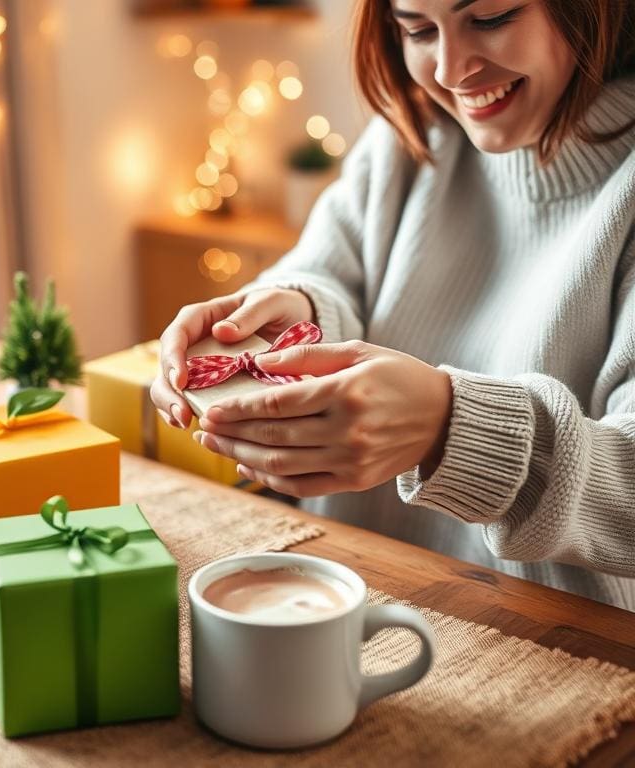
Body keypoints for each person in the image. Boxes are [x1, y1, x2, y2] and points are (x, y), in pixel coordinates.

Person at [151, 0, 635, 611]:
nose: (451, 72)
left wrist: (447, 428)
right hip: (343, 595)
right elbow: (329, 273)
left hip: (551, 642)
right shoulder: (412, 134)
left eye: (491, 18)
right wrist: (292, 316)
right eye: (418, 30)